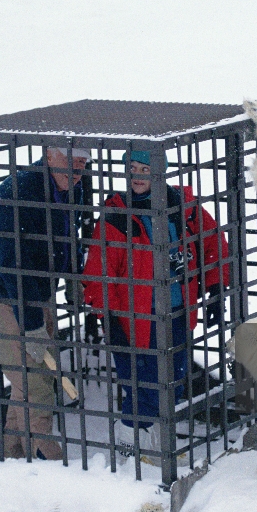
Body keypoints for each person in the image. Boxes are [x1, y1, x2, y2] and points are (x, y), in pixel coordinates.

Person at [82, 151, 230, 459]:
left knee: (173, 379)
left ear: (159, 173)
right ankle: (130, 445)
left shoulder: (183, 209)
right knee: (141, 383)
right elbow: (99, 272)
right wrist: (107, 318)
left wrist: (215, 288)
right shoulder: (116, 216)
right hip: (135, 318)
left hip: (177, 312)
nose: (136, 175)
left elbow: (213, 244)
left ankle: (159, 443)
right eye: (132, 168)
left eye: (145, 169)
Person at [0, 146, 90, 460]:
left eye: (82, 162)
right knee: (32, 377)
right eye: (69, 160)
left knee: (36, 374)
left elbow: (70, 233)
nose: (76, 170)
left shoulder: (76, 185)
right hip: (4, 291)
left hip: (39, 285)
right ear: (50, 155)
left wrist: (73, 277)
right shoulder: (17, 193)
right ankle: (43, 452)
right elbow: (12, 266)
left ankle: (13, 450)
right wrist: (33, 325)